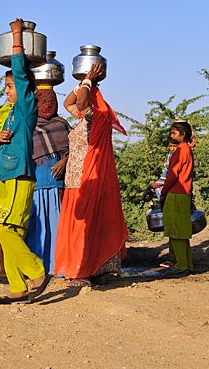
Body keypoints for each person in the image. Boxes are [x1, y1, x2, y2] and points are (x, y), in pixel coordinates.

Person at [0, 18, 51, 304]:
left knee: (6, 230)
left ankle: (36, 272)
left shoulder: (25, 106)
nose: (7, 91)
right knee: (10, 232)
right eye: (6, 86)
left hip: (20, 175)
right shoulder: (4, 114)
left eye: (10, 86)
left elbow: (21, 73)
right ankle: (18, 289)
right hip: (3, 178)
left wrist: (17, 36)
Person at [54, 62, 128, 287]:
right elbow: (68, 102)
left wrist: (87, 81)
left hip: (87, 179)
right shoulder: (84, 120)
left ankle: (83, 270)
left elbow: (82, 102)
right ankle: (88, 268)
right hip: (77, 179)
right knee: (87, 226)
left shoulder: (96, 117)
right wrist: (83, 83)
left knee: (85, 228)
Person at [24, 87, 71, 274]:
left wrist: (64, 161)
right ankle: (37, 268)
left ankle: (58, 265)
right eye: (43, 101)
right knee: (38, 227)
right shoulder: (29, 124)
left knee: (56, 225)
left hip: (56, 183)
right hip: (36, 181)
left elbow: (77, 148)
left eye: (50, 101)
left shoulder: (63, 124)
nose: (47, 105)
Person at [159, 122, 195, 274]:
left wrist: (163, 193)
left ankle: (180, 264)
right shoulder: (187, 150)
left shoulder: (180, 151)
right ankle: (185, 263)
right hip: (184, 194)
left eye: (174, 133)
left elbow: (172, 175)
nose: (171, 136)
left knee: (176, 231)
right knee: (181, 231)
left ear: (183, 134)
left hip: (176, 193)